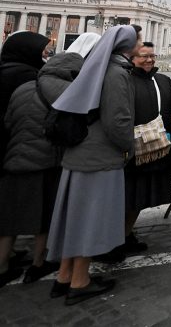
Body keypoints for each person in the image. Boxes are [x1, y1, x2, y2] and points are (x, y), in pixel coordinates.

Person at [46, 25, 139, 305]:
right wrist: (129, 147)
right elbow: (118, 121)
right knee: (89, 218)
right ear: (127, 46)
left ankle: (64, 276)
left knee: (74, 216)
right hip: (99, 157)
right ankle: (80, 281)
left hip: (79, 154)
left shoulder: (94, 67)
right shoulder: (116, 73)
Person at [0, 34, 96, 287]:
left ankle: (2, 264)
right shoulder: (65, 91)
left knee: (9, 215)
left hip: (14, 159)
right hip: (47, 160)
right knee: (44, 214)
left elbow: (8, 122)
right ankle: (39, 262)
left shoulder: (22, 88)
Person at [119, 42, 171, 256]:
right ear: (131, 58)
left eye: (152, 56)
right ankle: (118, 237)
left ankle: (126, 234)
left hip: (158, 149)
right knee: (127, 196)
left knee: (139, 197)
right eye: (143, 56)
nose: (149, 60)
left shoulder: (163, 80)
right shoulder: (124, 80)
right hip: (132, 153)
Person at [0, 31, 50, 174]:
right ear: (28, 50)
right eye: (42, 50)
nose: (46, 53)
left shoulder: (7, 69)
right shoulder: (26, 75)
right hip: (16, 146)